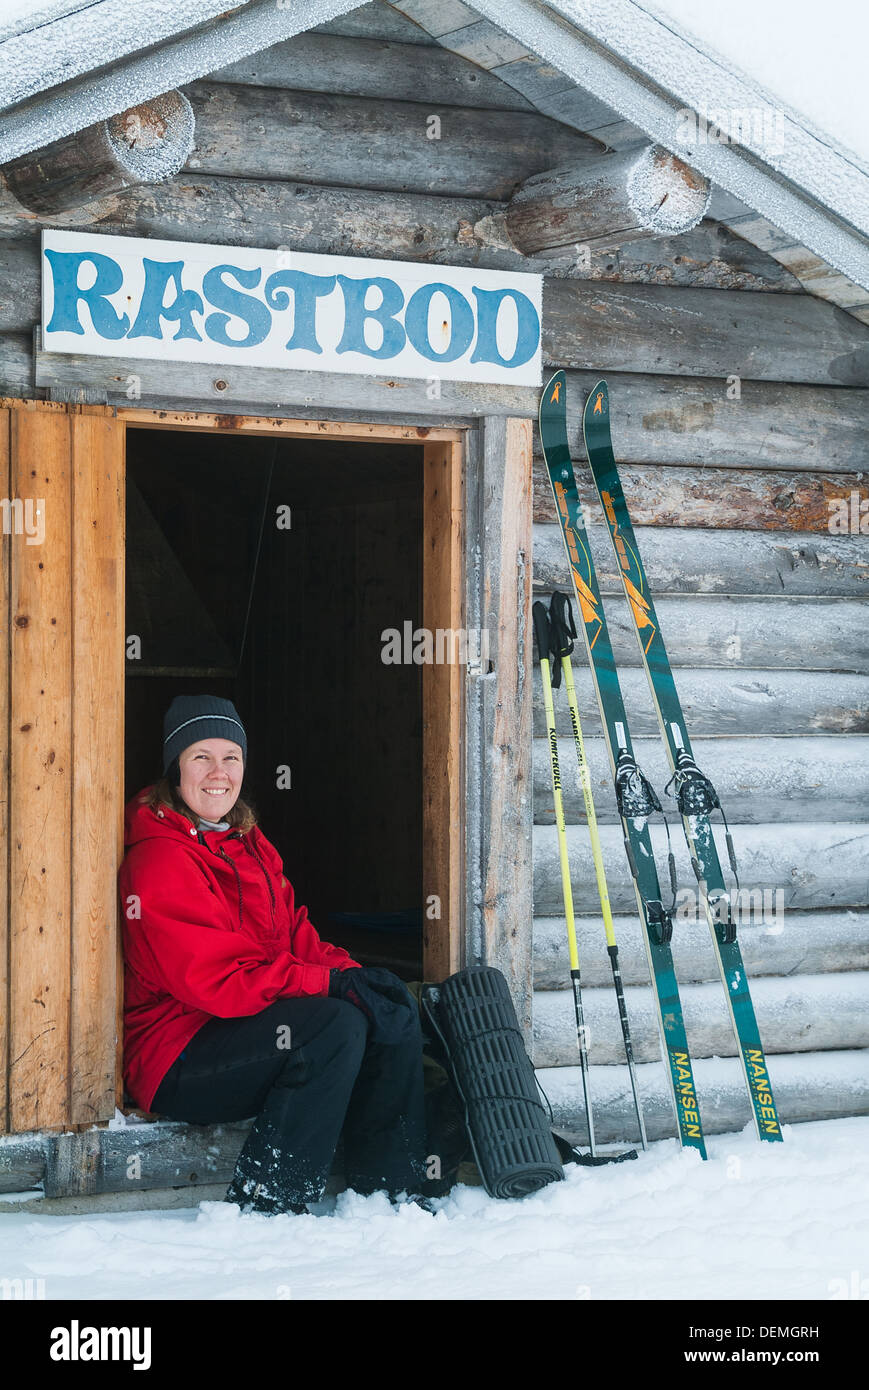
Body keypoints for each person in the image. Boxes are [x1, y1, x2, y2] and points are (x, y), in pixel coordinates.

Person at [119, 693, 431, 1215]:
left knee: (380, 1008)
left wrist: (355, 976)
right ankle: (273, 1200)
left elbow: (295, 937)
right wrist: (330, 987)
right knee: (332, 1025)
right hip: (175, 1054)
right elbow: (219, 981)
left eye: (231, 758)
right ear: (176, 768)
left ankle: (392, 1194)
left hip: (240, 1028)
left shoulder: (248, 842)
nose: (219, 772)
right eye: (201, 757)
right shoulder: (159, 860)